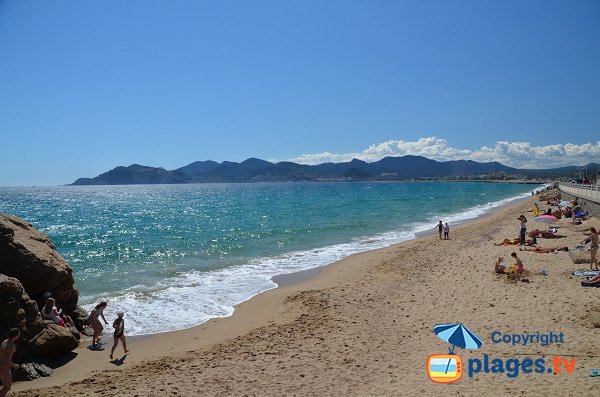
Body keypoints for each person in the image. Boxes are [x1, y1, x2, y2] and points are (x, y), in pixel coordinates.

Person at [0, 328, 20, 397]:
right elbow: (7, 360)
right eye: (19, 334)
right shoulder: (11, 344)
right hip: (4, 368)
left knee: (6, 386)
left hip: (1, 366)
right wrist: (14, 365)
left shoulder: (5, 341)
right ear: (16, 335)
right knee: (7, 387)